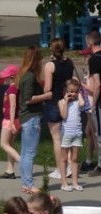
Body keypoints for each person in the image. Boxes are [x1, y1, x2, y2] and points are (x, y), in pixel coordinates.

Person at [43, 38, 76, 182]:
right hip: (67, 101)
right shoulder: (70, 62)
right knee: (66, 135)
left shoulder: (49, 66)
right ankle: (69, 165)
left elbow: (48, 87)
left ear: (52, 49)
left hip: (54, 102)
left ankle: (59, 168)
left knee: (57, 138)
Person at [17, 46, 47, 195]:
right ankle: (29, 183)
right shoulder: (30, 77)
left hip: (27, 117)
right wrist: (46, 96)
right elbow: (29, 99)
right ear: (36, 61)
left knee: (24, 153)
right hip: (32, 117)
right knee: (29, 153)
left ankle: (25, 183)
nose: (42, 63)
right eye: (40, 59)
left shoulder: (25, 75)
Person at [57, 78, 85, 191]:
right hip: (67, 133)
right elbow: (63, 116)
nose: (73, 94)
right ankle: (64, 183)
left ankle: (74, 182)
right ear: (66, 91)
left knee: (75, 158)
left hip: (77, 133)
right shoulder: (61, 102)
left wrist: (80, 93)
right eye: (71, 91)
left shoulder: (78, 101)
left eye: (75, 91)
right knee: (64, 158)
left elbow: (83, 103)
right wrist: (66, 101)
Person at [0, 64, 21, 179]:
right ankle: (10, 170)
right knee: (10, 145)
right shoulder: (17, 88)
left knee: (4, 144)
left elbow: (13, 106)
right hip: (15, 120)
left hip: (9, 120)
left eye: (6, 77)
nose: (4, 79)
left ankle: (23, 163)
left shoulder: (12, 89)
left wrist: (11, 122)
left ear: (12, 77)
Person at [84, 30, 101, 175]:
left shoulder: (94, 60)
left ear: (90, 43)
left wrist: (94, 104)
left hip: (99, 101)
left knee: (99, 134)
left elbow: (97, 84)